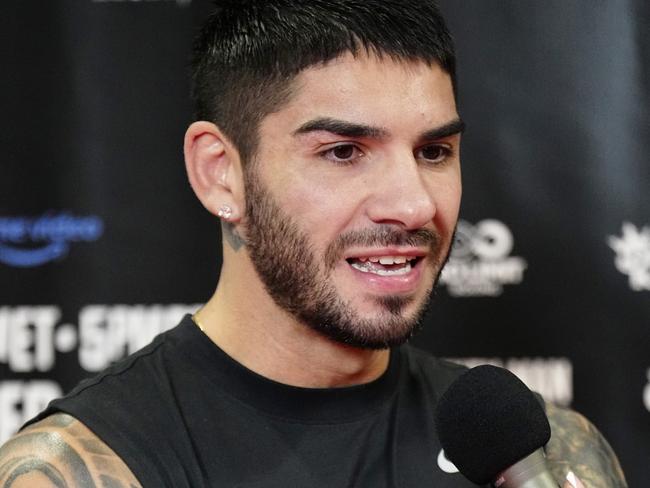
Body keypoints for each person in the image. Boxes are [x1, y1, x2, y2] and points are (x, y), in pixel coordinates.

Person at [0, 1, 627, 487]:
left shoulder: (541, 454)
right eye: (344, 152)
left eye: (433, 151)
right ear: (222, 171)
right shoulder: (88, 465)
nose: (412, 205)